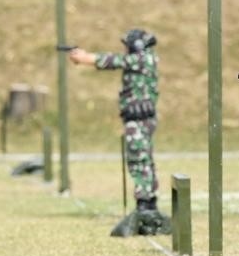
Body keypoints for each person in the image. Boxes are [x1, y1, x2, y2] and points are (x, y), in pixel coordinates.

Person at [68, 29, 170, 236]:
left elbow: (113, 60)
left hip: (140, 120)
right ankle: (147, 200)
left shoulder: (143, 59)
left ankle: (145, 204)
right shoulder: (143, 59)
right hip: (139, 118)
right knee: (143, 159)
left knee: (138, 159)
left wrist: (86, 58)